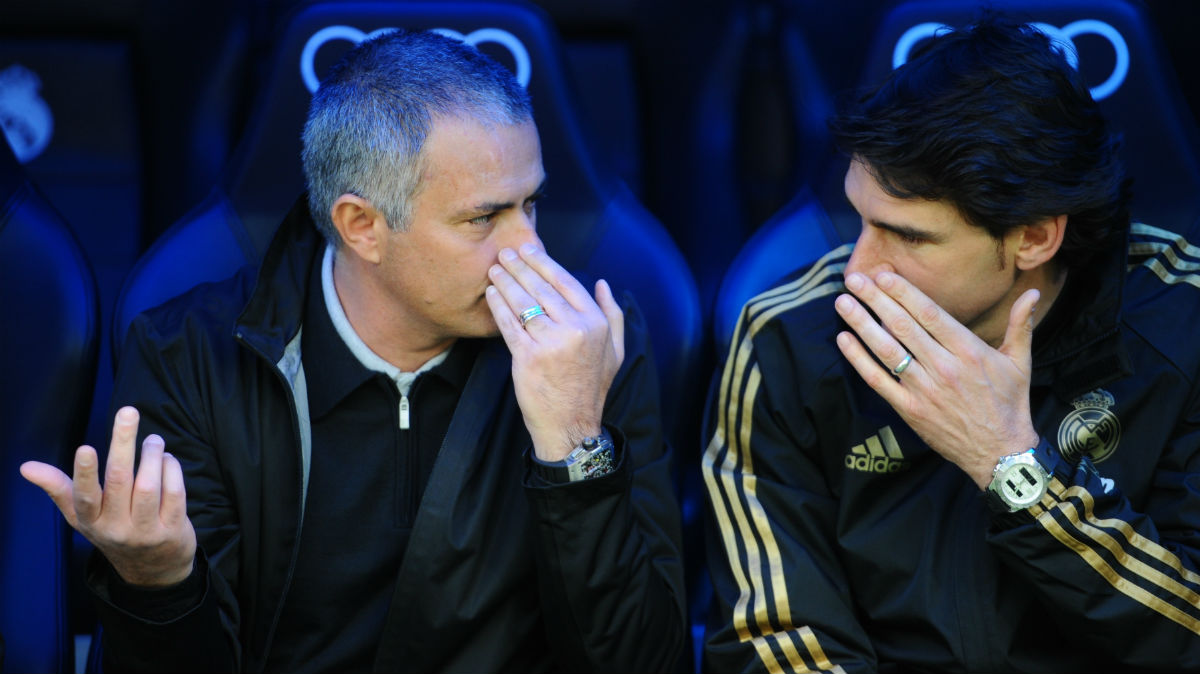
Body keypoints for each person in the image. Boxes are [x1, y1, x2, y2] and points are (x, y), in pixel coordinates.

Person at [20, 29, 685, 673]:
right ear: (360, 226)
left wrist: (575, 445)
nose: (529, 250)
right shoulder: (189, 357)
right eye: (484, 218)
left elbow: (644, 659)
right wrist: (158, 586)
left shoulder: (589, 342)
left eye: (531, 204)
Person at [701, 14, 1200, 673]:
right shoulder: (787, 340)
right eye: (860, 220)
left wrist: (1015, 468)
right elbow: (775, 638)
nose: (858, 270)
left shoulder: (1184, 324)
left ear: (1034, 239)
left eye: (908, 237)